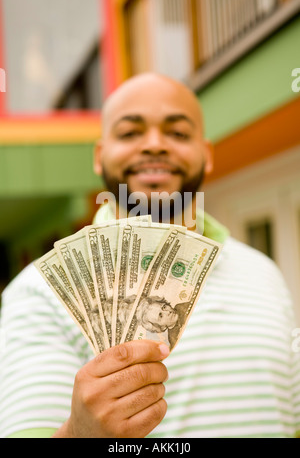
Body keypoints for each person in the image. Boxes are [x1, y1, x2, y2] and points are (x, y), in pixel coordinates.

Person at [0, 73, 299, 438]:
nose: (155, 145)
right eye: (129, 133)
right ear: (99, 157)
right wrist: (78, 434)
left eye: (177, 133)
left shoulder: (263, 271)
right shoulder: (38, 291)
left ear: (206, 156)